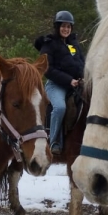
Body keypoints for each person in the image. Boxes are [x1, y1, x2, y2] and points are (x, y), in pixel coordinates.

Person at [33, 11, 84, 156]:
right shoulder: (49, 44)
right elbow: (48, 69)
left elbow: (82, 63)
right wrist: (69, 80)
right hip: (57, 85)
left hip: (77, 84)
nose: (66, 29)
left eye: (68, 27)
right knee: (60, 107)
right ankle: (54, 141)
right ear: (57, 27)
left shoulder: (74, 44)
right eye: (63, 26)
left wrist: (83, 77)